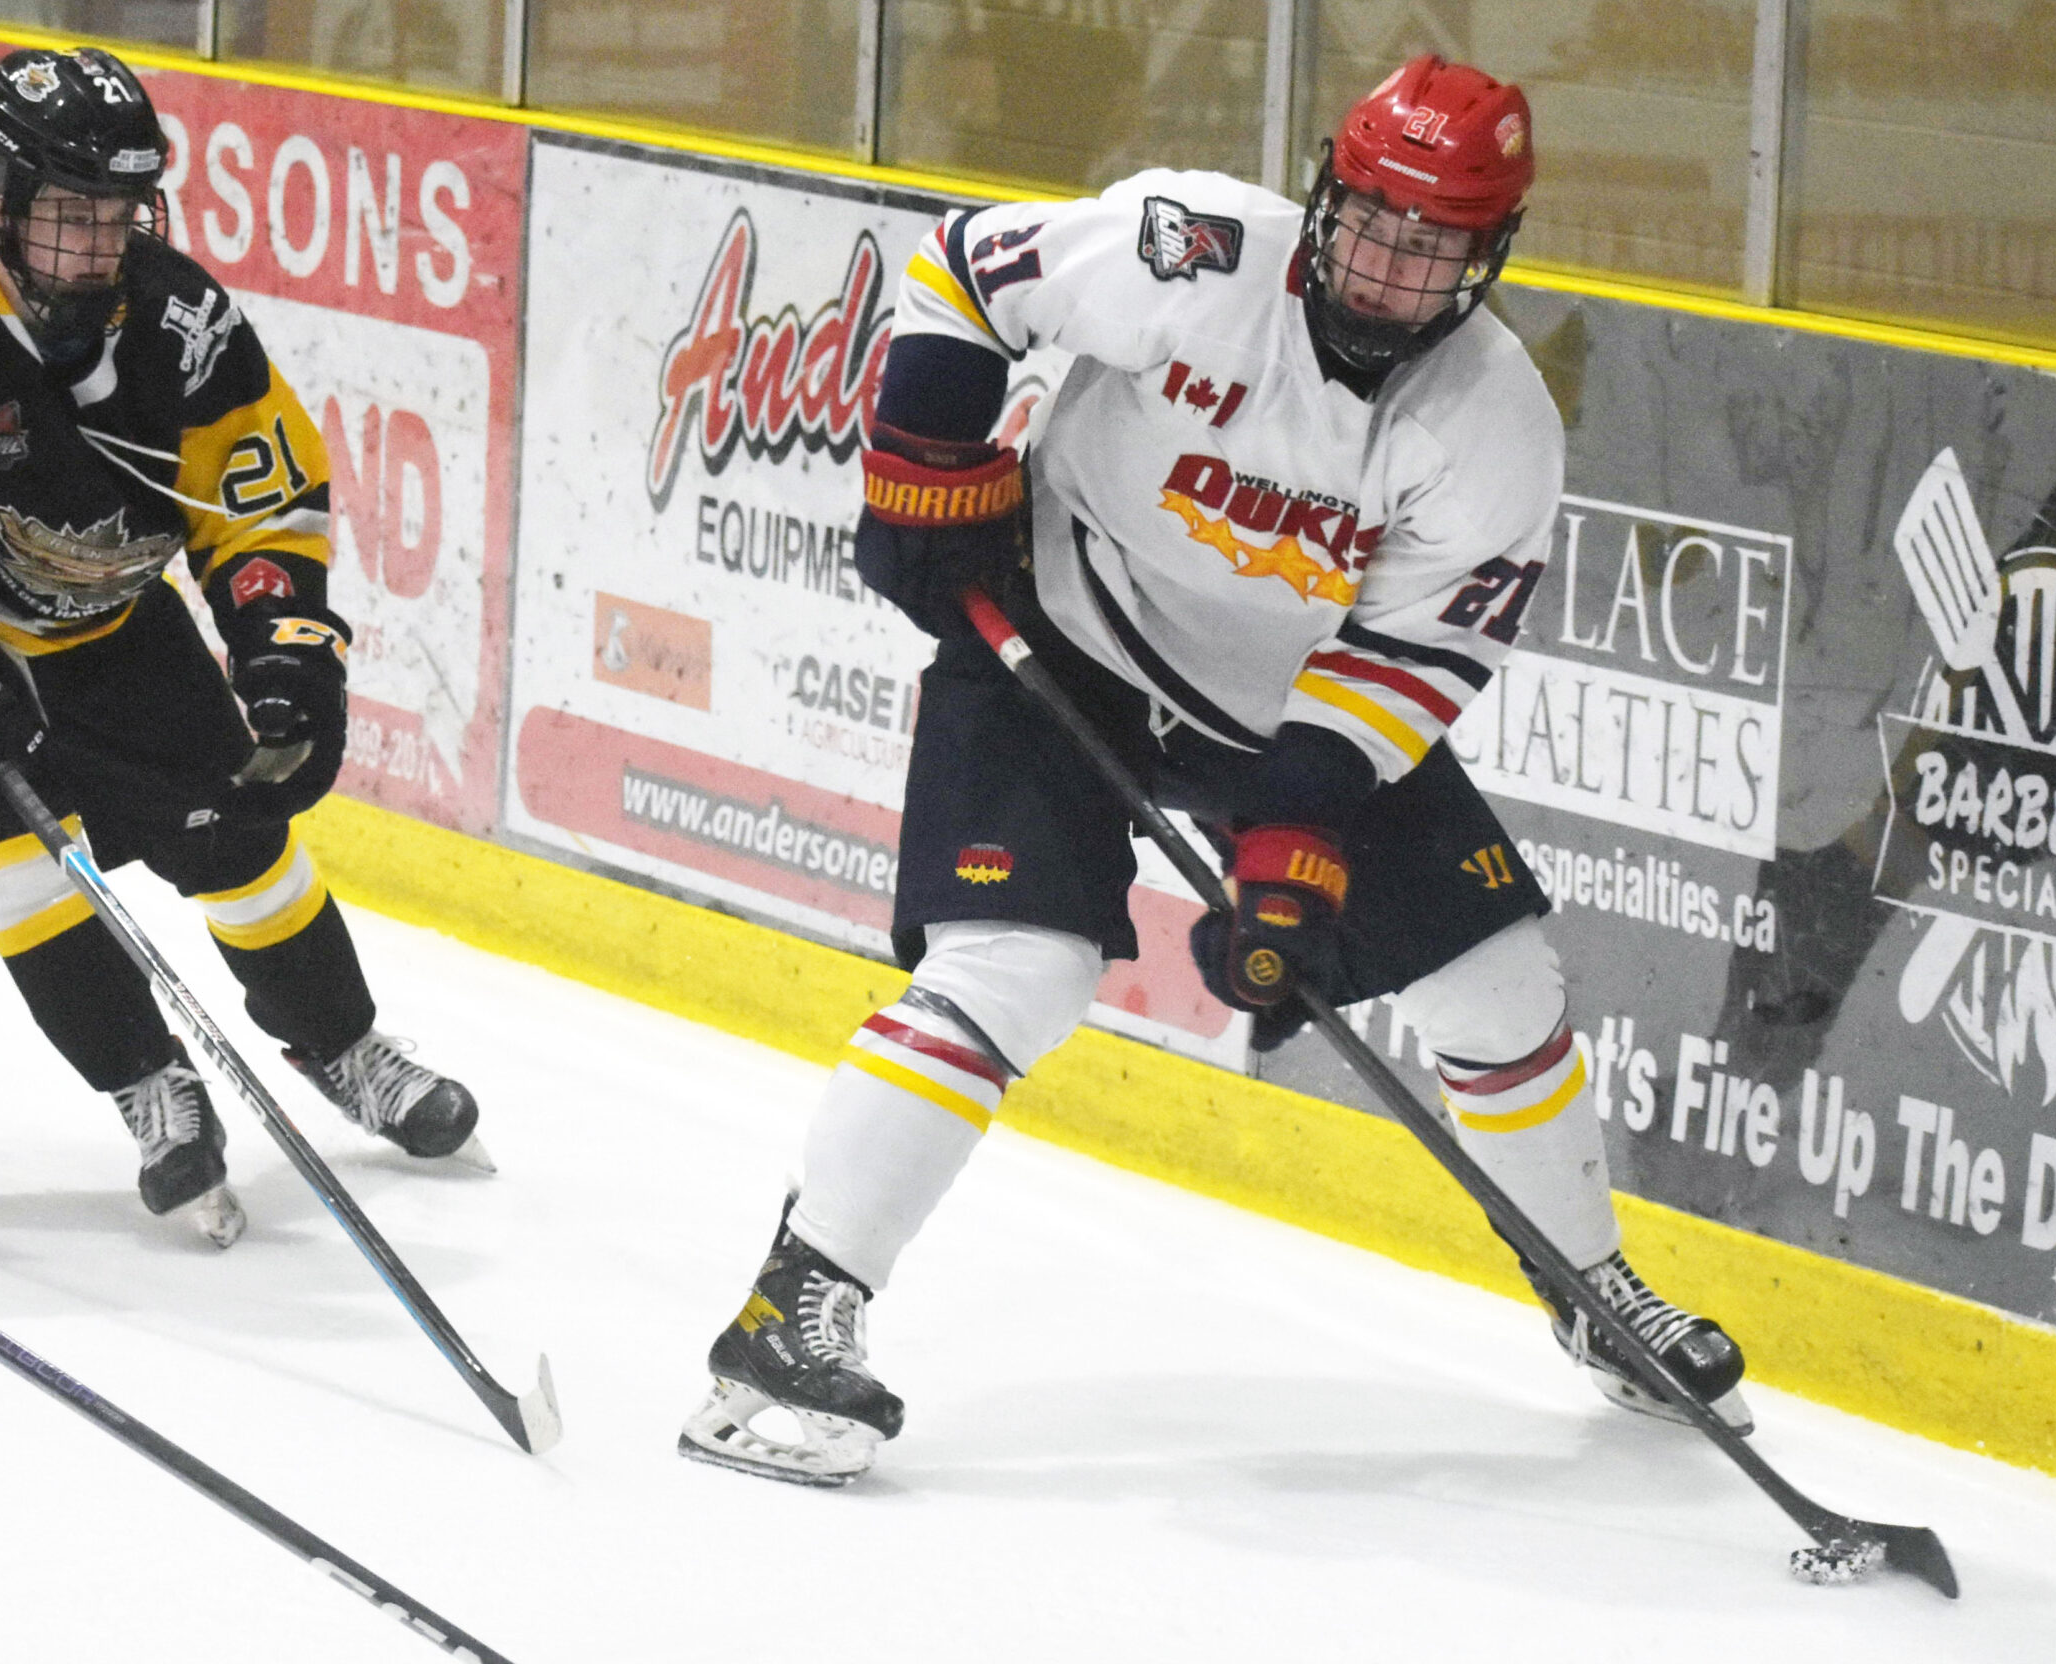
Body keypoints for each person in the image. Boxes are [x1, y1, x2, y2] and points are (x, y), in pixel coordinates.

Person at [680, 56, 1749, 1486]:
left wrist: (1289, 860)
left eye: (1434, 245)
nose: (1389, 266)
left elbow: (1400, 670)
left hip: (1282, 711)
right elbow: (964, 272)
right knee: (1018, 969)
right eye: (1373, 221)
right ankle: (790, 1317)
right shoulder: (1188, 248)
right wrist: (923, 462)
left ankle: (1589, 1283)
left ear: (1488, 256)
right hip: (1059, 639)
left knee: (1499, 979)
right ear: (1326, 190)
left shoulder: (1497, 426)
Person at [0, 48, 488, 1248]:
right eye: (68, 215)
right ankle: (148, 1080)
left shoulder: (184, 326)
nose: (98, 246)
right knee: (18, 850)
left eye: (121, 214)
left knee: (239, 829)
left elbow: (261, 505)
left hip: (109, 617)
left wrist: (285, 652)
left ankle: (343, 1045)